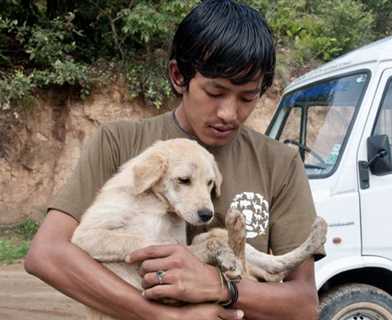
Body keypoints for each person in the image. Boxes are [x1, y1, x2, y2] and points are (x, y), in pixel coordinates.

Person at [25, 1, 321, 319]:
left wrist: (220, 288)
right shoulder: (118, 142)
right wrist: (165, 317)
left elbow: (304, 304)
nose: (229, 113)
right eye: (215, 92)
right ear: (179, 75)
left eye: (247, 97)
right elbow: (47, 254)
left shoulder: (280, 162)